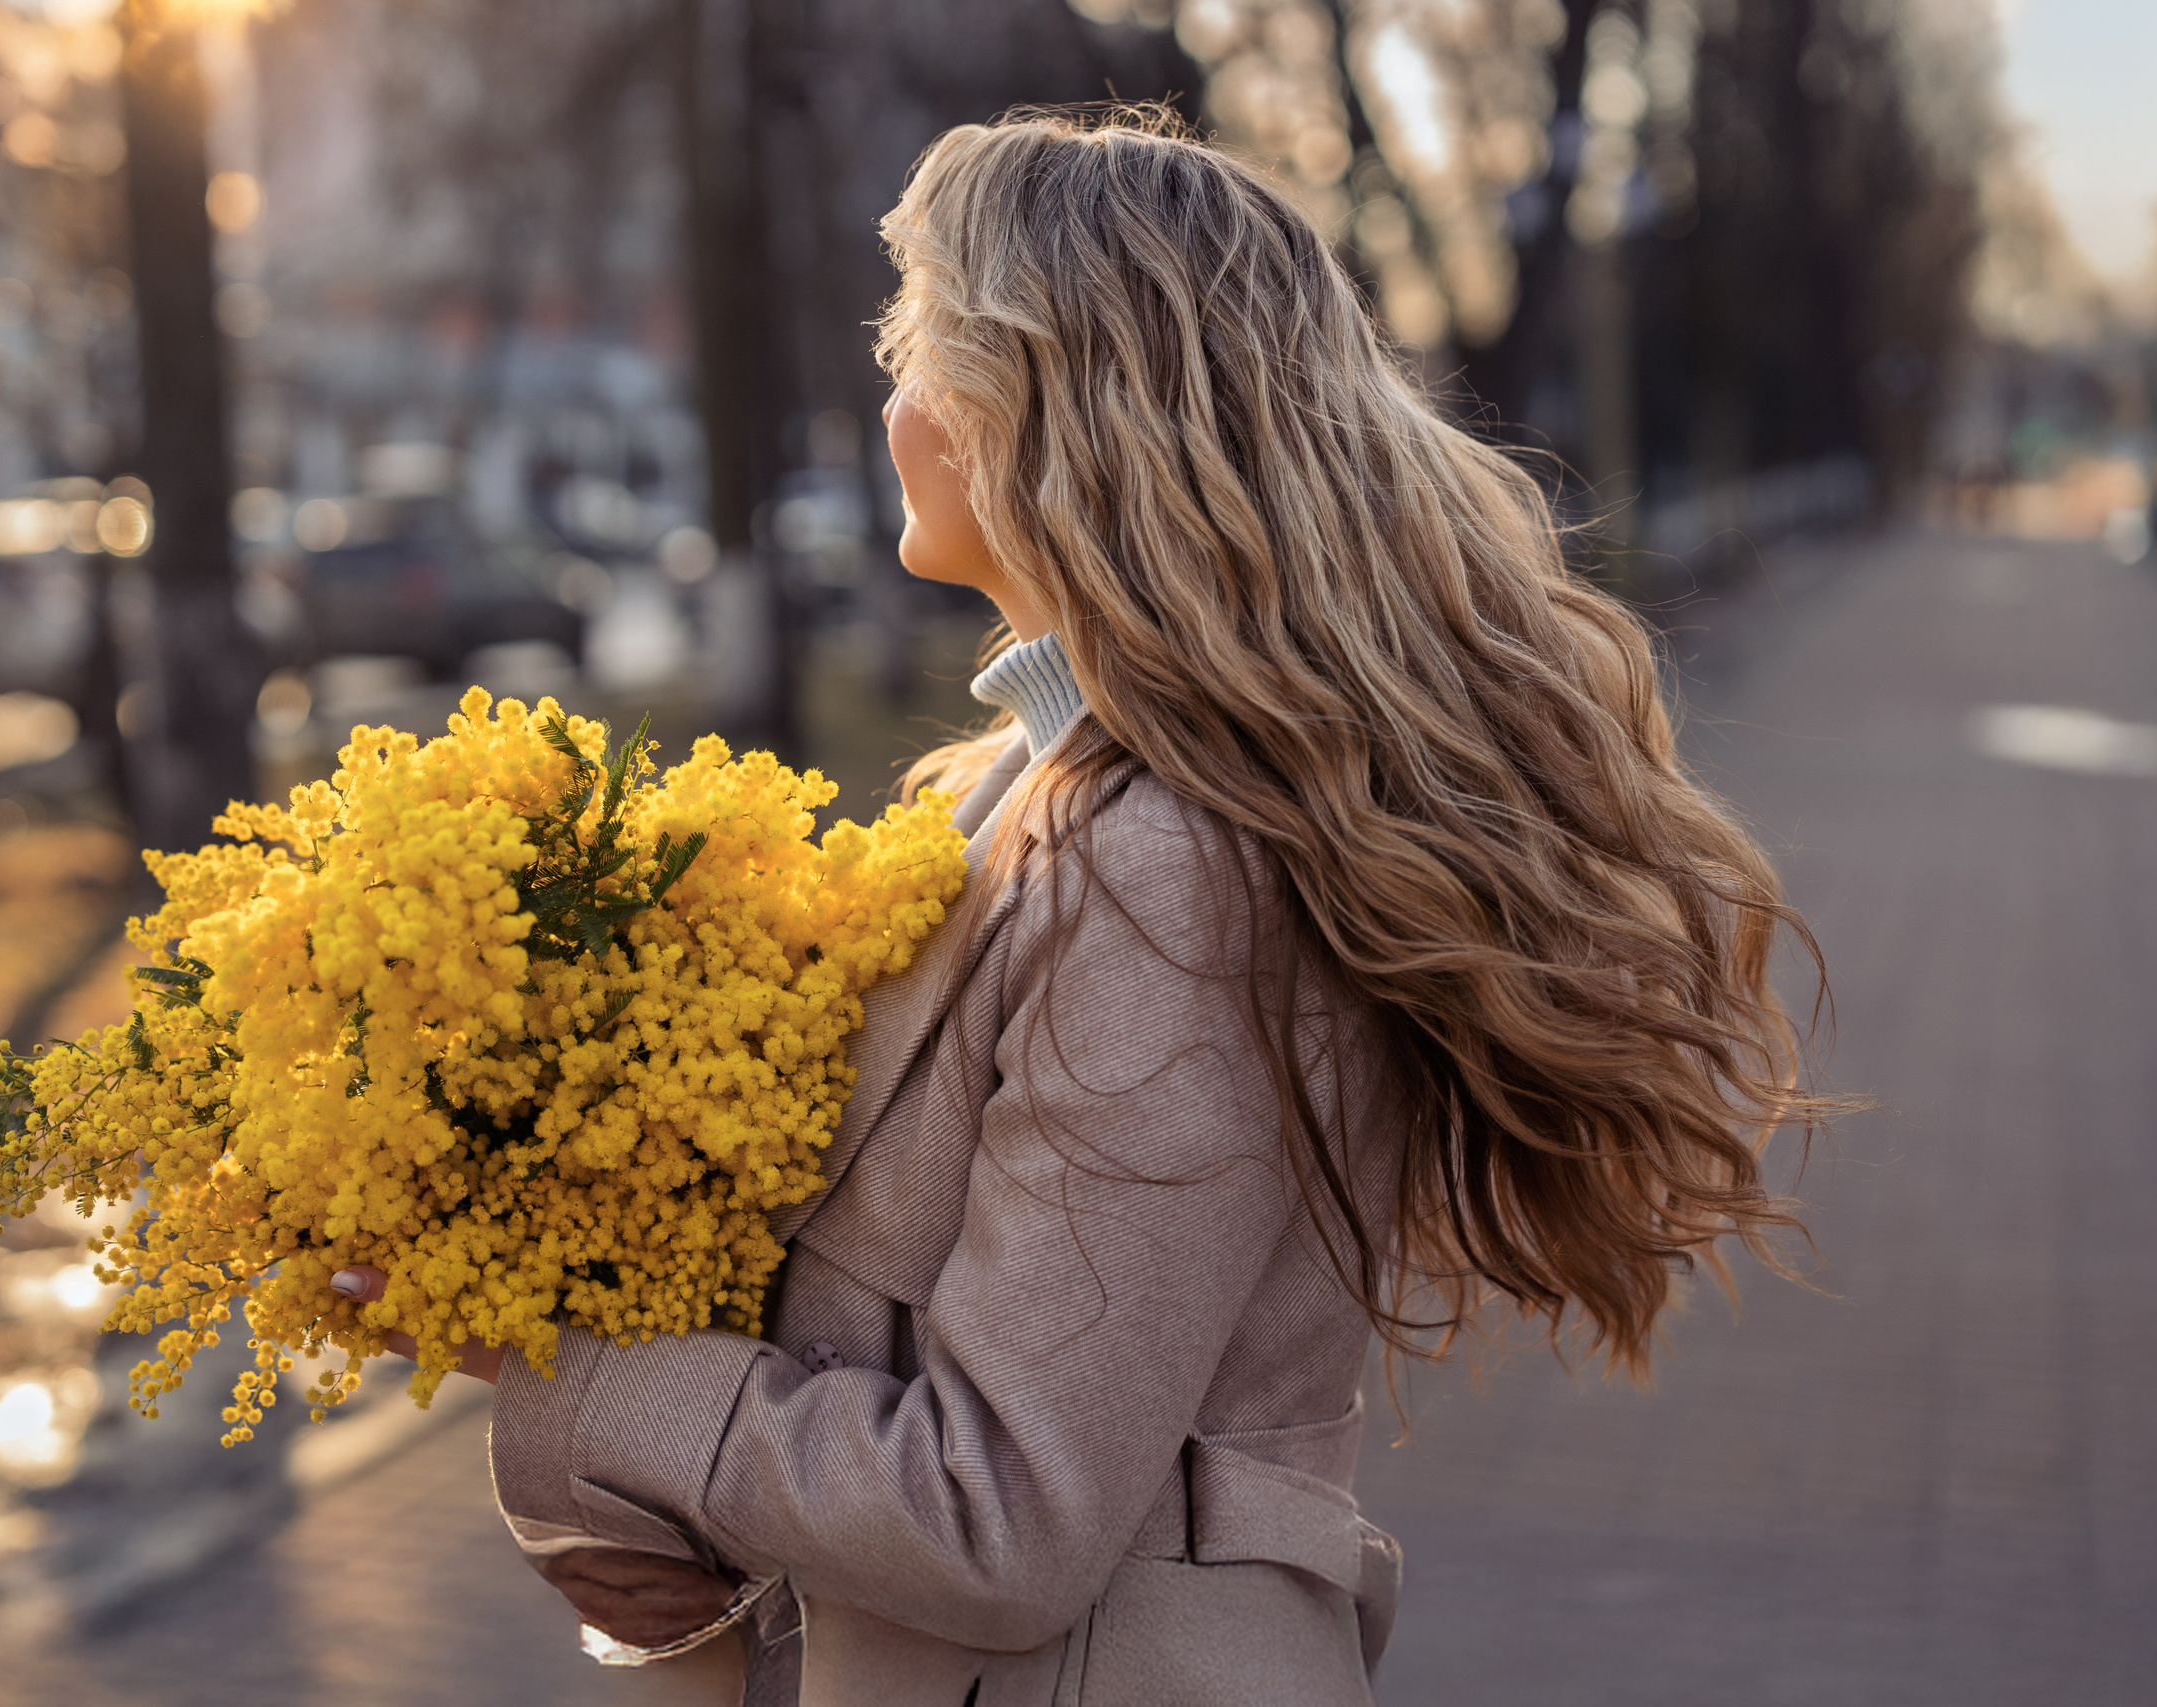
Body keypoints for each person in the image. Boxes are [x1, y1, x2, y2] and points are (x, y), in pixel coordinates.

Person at [331, 107, 1831, 1705]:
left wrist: (569, 1381)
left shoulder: (1169, 862)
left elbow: (1001, 1517)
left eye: (914, 347)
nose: (892, 400)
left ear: (1027, 402)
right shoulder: (986, 799)